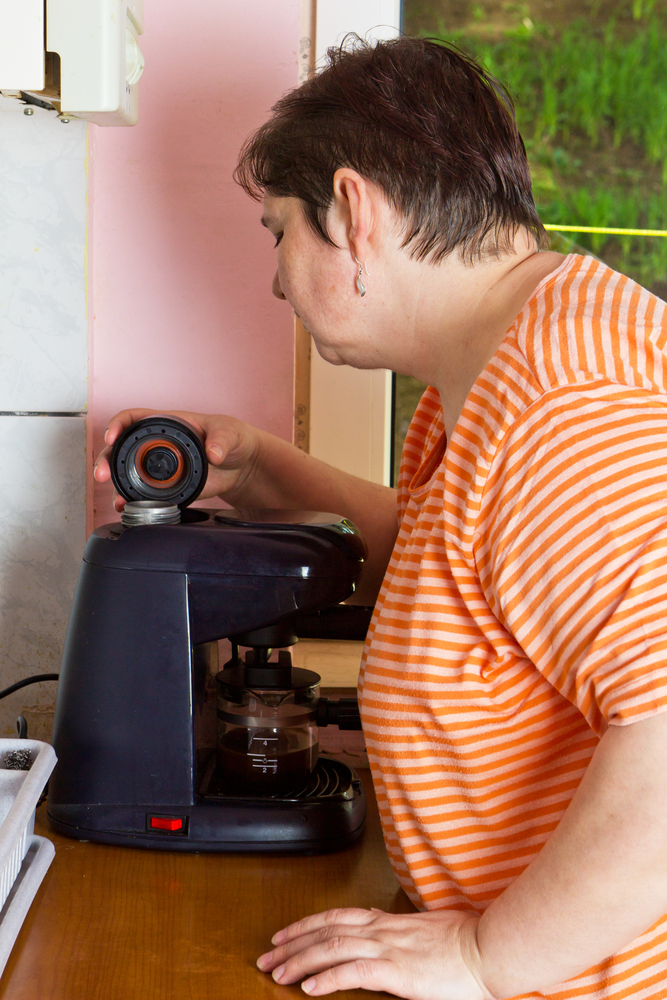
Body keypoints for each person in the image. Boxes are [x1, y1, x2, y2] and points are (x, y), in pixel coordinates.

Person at [94, 35, 667, 1000]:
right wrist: (262, 470)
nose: (277, 280)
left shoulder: (569, 411)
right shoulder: (500, 373)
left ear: (353, 211)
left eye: (278, 231)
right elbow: (463, 572)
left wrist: (485, 961)